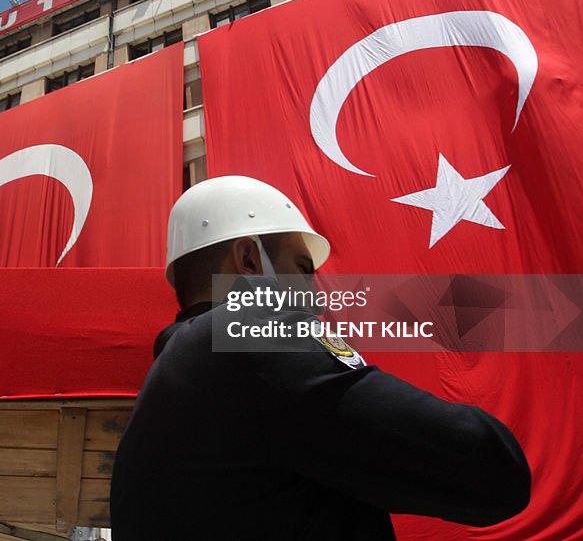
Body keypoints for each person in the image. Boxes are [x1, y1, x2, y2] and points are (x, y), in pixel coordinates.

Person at [111, 175, 530, 539]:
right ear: (249, 259)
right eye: (303, 268)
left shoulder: (178, 375)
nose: (317, 297)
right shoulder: (249, 334)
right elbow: (491, 470)